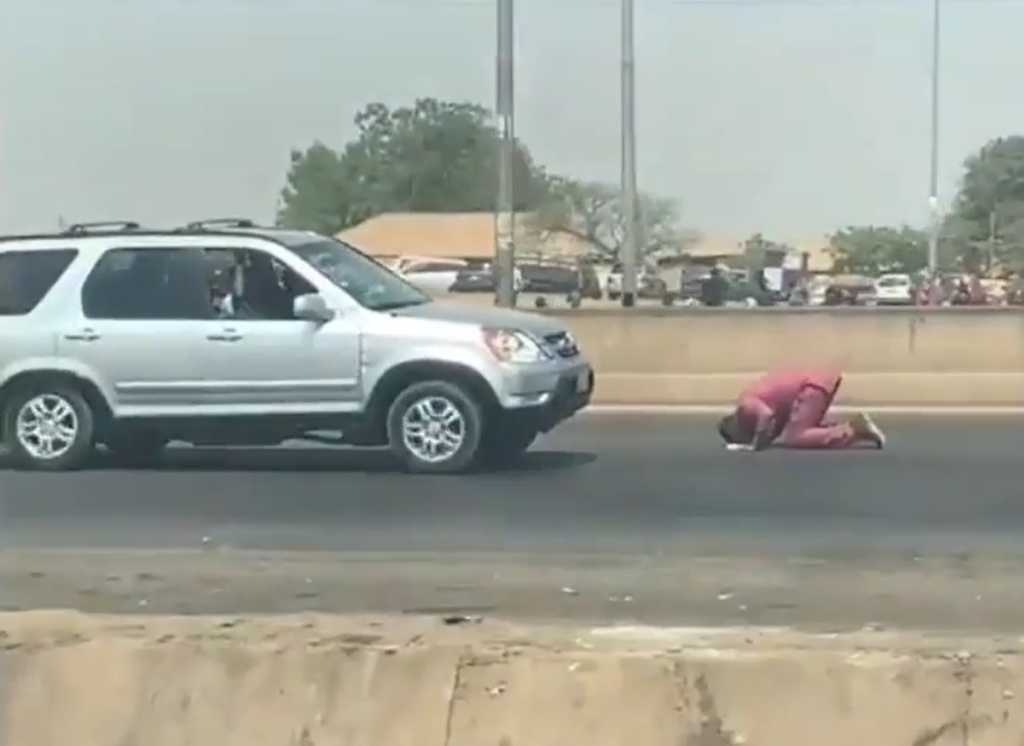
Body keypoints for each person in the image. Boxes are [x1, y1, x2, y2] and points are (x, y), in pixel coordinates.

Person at [717, 368, 886, 451]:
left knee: (795, 437)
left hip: (811, 383)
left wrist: (756, 443)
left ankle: (853, 430)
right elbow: (776, 421)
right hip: (818, 378)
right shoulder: (751, 404)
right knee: (804, 428)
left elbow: (766, 415)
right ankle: (848, 429)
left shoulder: (745, 404)